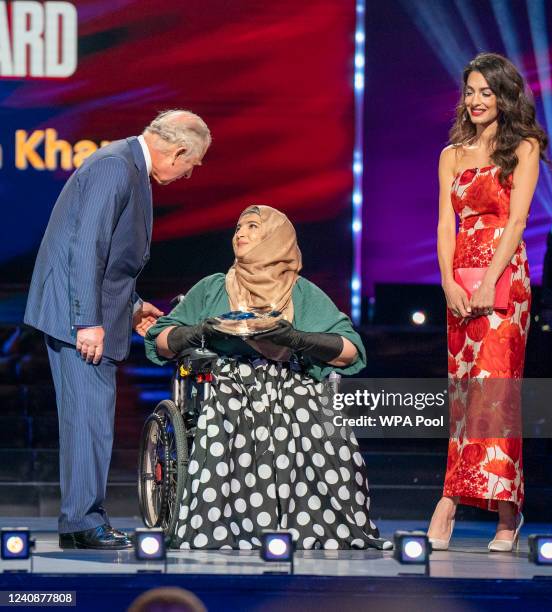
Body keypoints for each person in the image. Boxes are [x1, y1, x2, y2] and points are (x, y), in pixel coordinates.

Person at [145, 205, 391, 551]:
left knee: (313, 413)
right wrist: (201, 329)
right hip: (230, 382)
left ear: (276, 238)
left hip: (292, 382)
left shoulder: (301, 292)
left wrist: (295, 339)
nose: (239, 233)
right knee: (232, 403)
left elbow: (350, 350)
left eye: (252, 227)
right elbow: (160, 340)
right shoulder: (214, 288)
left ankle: (310, 523)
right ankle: (227, 526)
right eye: (238, 227)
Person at [24, 109, 212, 549]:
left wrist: (130, 305)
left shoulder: (130, 167)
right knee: (88, 420)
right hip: (78, 317)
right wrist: (87, 320)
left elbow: (111, 257)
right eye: (191, 164)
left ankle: (81, 521)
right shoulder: (114, 167)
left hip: (96, 310)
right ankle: (84, 522)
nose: (188, 174)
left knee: (91, 419)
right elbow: (85, 248)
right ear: (179, 150)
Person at [427, 53, 550, 552]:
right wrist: (448, 281)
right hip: (461, 280)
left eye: (487, 92)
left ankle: (490, 510)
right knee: (464, 396)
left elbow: (517, 222)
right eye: (471, 92)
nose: (476, 101)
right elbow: (444, 225)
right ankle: (471, 497)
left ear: (504, 96)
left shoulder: (524, 146)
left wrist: (488, 281)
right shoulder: (451, 154)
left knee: (495, 394)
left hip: (504, 279)